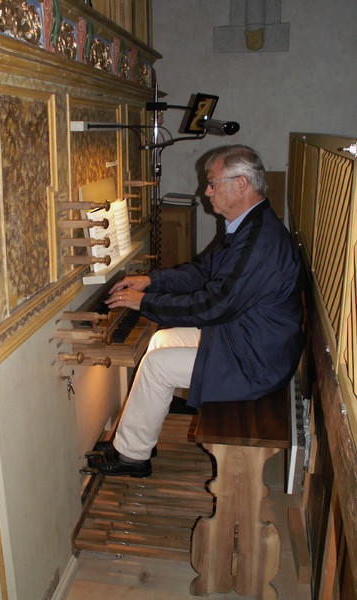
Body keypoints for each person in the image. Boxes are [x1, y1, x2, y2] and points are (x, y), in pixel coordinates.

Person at [97, 144, 304, 478]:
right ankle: (136, 439)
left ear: (241, 185)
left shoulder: (260, 243)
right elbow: (201, 273)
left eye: (212, 182)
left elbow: (212, 305)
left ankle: (132, 457)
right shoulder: (247, 225)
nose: (205, 191)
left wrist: (144, 302)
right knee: (160, 342)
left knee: (157, 367)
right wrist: (150, 280)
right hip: (245, 337)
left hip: (257, 361)